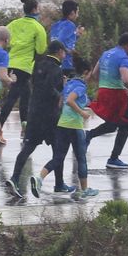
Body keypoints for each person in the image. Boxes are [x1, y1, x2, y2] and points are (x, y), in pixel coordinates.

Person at [3, 40, 66, 200]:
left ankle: (15, 178)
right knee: (58, 150)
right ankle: (59, 184)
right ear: (59, 52)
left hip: (34, 113)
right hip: (50, 116)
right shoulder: (57, 69)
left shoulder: (38, 64)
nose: (64, 55)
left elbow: (37, 85)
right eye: (63, 52)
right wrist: (60, 93)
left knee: (28, 148)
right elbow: (51, 89)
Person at [42, 55, 99, 201]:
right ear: (86, 72)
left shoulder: (68, 84)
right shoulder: (80, 85)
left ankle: (39, 178)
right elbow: (69, 100)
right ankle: (85, 189)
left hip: (62, 124)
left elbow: (61, 103)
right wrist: (83, 113)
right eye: (90, 73)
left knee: (59, 157)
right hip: (75, 125)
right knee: (81, 158)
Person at [86, 32, 128, 169]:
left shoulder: (106, 53)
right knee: (126, 124)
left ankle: (89, 135)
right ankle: (114, 158)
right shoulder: (124, 58)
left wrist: (105, 84)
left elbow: (94, 73)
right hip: (116, 94)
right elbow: (126, 79)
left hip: (103, 90)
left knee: (113, 123)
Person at [0, 0, 47, 136]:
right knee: (12, 97)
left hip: (10, 64)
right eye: (38, 8)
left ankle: (25, 126)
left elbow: (6, 40)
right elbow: (41, 50)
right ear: (34, 9)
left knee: (26, 95)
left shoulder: (13, 24)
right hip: (25, 67)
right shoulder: (38, 27)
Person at [49, 0, 83, 77]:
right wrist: (71, 52)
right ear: (72, 13)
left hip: (55, 64)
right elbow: (59, 42)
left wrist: (76, 36)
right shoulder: (70, 25)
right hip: (67, 64)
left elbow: (56, 41)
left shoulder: (55, 25)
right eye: (77, 12)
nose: (77, 15)